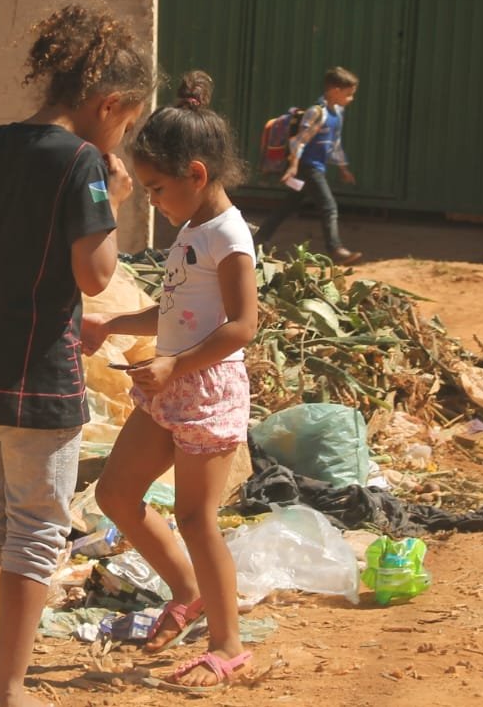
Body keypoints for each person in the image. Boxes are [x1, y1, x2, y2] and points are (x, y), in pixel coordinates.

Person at [0, 4, 153, 707]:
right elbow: (96, 276)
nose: (124, 138)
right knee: (37, 533)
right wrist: (112, 197)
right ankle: (11, 689)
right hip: (38, 379)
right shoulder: (82, 164)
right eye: (129, 124)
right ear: (109, 104)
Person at [82, 70, 259, 690]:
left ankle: (229, 645)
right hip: (169, 388)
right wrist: (111, 323)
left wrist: (175, 365)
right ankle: (187, 591)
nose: (152, 201)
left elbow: (241, 327)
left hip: (206, 390)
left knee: (196, 517)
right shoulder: (190, 231)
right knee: (115, 496)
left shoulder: (230, 237)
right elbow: (175, 311)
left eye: (156, 189)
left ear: (197, 176)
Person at [253, 66, 359, 263]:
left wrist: (343, 168)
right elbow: (298, 141)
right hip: (307, 168)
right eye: (349, 94)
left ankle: (259, 239)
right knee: (329, 206)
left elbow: (334, 144)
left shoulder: (338, 113)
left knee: (289, 204)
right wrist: (293, 167)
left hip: (312, 168)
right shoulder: (317, 113)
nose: (351, 98)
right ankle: (335, 249)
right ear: (335, 91)